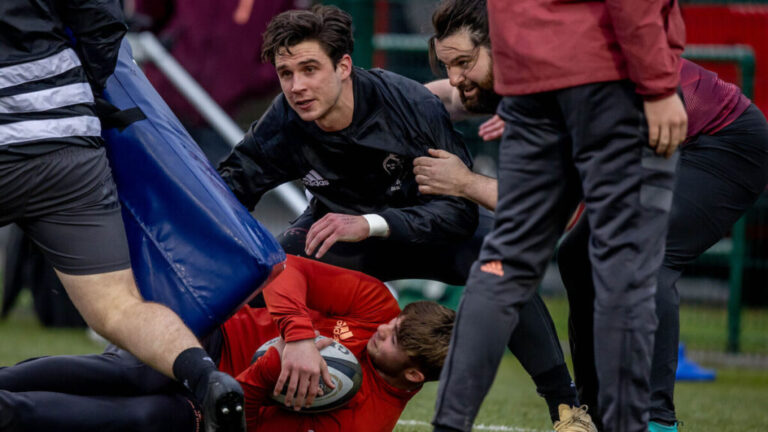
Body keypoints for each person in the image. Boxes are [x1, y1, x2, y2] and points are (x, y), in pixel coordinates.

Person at [216, 5, 591, 429]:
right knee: (261, 279)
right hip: (341, 236)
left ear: (343, 67)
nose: (298, 86)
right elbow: (225, 198)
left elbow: (458, 213)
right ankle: (209, 378)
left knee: (501, 260)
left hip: (430, 229)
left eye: (310, 69)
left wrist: (373, 223)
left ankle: (566, 407)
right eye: (287, 74)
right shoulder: (280, 125)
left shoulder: (410, 104)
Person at [415, 2, 768, 430]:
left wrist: (468, 183)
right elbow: (445, 97)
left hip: (715, 141)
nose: (454, 78)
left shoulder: (557, 65)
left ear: (502, 46)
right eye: (447, 64)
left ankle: (654, 421)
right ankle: (588, 413)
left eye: (463, 63)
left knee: (641, 257)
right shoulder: (527, 66)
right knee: (566, 258)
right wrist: (370, 92)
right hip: (595, 100)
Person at [0, 1, 244, 430]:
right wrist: (80, 95)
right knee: (119, 308)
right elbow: (104, 22)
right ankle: (207, 379)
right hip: (68, 134)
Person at [0, 255, 455, 432]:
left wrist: (267, 371)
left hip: (222, 408)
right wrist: (296, 337)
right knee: (132, 372)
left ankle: (11, 413)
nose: (382, 329)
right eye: (394, 323)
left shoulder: (367, 422)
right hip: (214, 334)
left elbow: (252, 426)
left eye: (393, 340)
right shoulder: (378, 305)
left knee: (147, 417)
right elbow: (285, 268)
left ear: (414, 373)